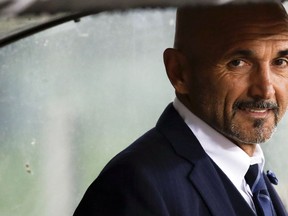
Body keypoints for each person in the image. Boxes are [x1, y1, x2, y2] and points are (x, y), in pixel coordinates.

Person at [74, 1, 288, 215]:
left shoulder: (251, 174)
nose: (266, 90)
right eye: (238, 63)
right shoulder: (132, 187)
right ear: (179, 72)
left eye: (280, 62)